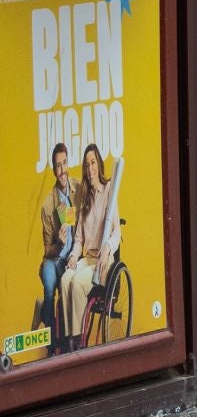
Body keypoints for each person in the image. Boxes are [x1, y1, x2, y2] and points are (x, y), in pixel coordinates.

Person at [60, 144, 111, 349]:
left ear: (98, 164)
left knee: (79, 282)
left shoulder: (109, 191)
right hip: (87, 258)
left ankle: (78, 340)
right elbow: (79, 239)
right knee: (65, 279)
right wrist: (73, 256)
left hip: (103, 262)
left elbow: (116, 231)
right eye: (86, 165)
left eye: (93, 163)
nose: (90, 169)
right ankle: (68, 340)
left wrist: (108, 247)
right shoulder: (84, 198)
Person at [37, 141, 74, 344]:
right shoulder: (47, 204)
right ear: (54, 170)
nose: (62, 170)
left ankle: (66, 337)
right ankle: (51, 344)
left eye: (64, 163)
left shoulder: (77, 187)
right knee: (50, 287)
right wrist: (59, 244)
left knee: (69, 292)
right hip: (53, 259)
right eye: (58, 166)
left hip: (72, 257)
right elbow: (47, 249)